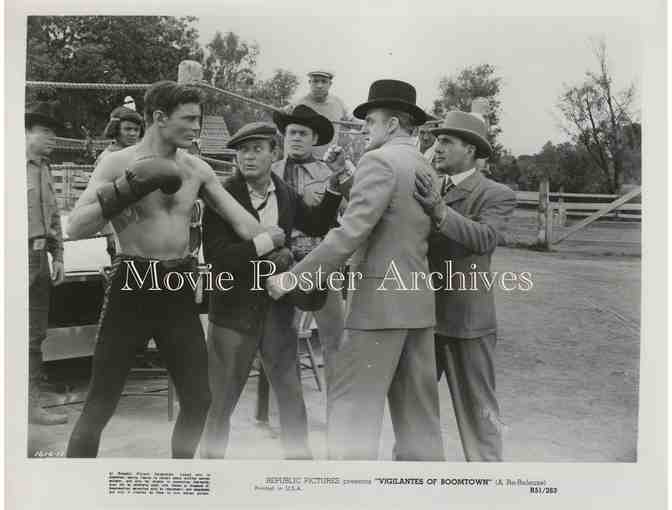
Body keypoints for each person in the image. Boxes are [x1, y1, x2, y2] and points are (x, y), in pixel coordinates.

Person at [65, 80, 266, 458]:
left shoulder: (197, 169)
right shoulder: (117, 163)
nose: (196, 127)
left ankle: (180, 478)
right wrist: (126, 189)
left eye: (198, 119)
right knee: (101, 402)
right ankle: (74, 481)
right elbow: (75, 227)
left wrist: (274, 243)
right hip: (132, 284)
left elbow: (246, 226)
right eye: (188, 119)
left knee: (199, 399)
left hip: (177, 287)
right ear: (159, 118)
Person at [267, 80, 445, 461]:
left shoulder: (379, 161)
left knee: (353, 416)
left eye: (371, 121)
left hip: (378, 308)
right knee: (419, 419)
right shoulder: (424, 165)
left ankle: (347, 488)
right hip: (417, 305)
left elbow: (350, 232)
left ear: (393, 124)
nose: (364, 129)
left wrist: (294, 278)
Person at [200, 122, 346, 459]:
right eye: (242, 150)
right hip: (233, 314)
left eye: (257, 149)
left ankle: (299, 465)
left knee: (291, 393)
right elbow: (217, 257)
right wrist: (266, 242)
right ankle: (209, 471)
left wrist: (334, 183)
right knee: (220, 402)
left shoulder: (284, 191)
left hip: (278, 310)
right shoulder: (221, 196)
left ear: (274, 153)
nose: (248, 157)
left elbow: (316, 223)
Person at [413, 111, 516, 461]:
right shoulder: (427, 185)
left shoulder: (495, 193)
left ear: (470, 150)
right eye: (436, 140)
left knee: (479, 418)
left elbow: (485, 238)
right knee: (414, 411)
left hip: (467, 322)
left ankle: (487, 482)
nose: (437, 147)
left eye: (446, 141)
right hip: (421, 317)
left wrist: (440, 211)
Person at [271, 104, 352, 391]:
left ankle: (337, 406)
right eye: (291, 132)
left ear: (315, 138)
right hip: (282, 264)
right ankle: (284, 408)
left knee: (334, 338)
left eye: (302, 133)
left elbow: (352, 213)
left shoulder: (329, 172)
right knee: (282, 338)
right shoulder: (270, 171)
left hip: (322, 265)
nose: (295, 138)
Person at [25, 101, 68, 426]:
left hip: (40, 258)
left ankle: (30, 404)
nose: (52, 138)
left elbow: (53, 218)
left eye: (54, 132)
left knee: (35, 335)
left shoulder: (46, 169)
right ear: (26, 132)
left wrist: (59, 256)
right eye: (45, 131)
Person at [292, 70, 349, 158]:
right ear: (310, 82)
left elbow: (352, 121)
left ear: (330, 84)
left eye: (324, 81)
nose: (319, 85)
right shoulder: (299, 103)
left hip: (329, 159)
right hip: (303, 159)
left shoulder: (338, 103)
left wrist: (366, 125)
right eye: (315, 81)